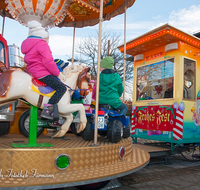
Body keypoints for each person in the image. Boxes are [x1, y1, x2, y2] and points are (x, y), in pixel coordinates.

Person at [21, 20, 66, 120]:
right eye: (48, 38)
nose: (48, 40)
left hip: (31, 71)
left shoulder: (29, 45)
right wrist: (57, 73)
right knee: (62, 88)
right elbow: (48, 61)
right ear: (44, 36)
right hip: (41, 73)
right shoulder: (42, 44)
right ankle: (47, 112)